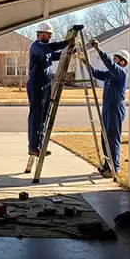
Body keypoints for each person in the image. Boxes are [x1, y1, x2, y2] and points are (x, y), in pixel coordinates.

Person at [26, 21, 77, 157]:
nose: (50, 37)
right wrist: (65, 43)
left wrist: (69, 51)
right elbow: (48, 49)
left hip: (45, 86)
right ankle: (33, 146)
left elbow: (55, 55)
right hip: (36, 86)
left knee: (43, 117)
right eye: (48, 34)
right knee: (36, 116)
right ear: (41, 34)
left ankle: (39, 145)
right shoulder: (36, 47)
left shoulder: (46, 50)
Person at [89, 41, 129, 177]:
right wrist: (85, 62)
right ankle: (107, 165)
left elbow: (110, 64)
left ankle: (114, 168)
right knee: (105, 138)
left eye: (116, 58)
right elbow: (95, 73)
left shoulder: (121, 74)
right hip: (107, 108)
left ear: (122, 62)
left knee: (112, 138)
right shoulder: (109, 75)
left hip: (115, 108)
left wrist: (99, 50)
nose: (113, 60)